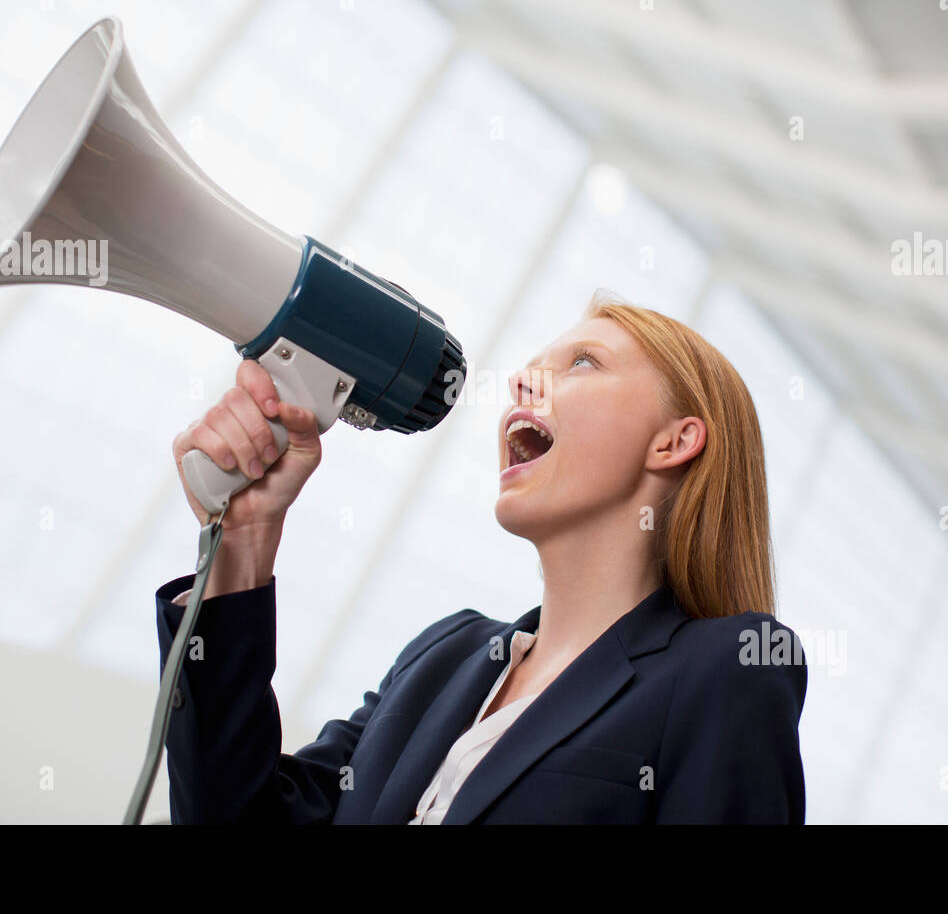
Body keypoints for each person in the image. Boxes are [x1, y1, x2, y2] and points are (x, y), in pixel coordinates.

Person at [154, 288, 807, 824]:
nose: (522, 380)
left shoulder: (728, 669)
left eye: (583, 363)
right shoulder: (444, 657)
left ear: (674, 441)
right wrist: (243, 541)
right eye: (530, 366)